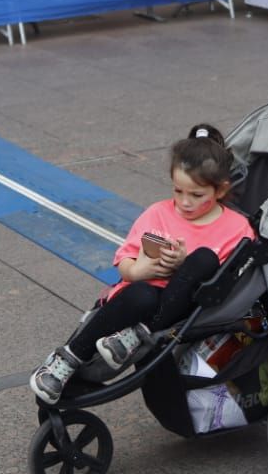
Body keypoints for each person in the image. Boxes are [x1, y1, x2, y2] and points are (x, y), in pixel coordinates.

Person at [29, 124, 255, 404]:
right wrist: (139, 270)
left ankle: (140, 333)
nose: (185, 202)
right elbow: (124, 261)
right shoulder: (158, 213)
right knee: (142, 293)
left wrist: (185, 266)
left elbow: (231, 281)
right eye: (178, 191)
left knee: (204, 259)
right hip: (142, 297)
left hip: (186, 305)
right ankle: (67, 359)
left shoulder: (237, 228)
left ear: (220, 190)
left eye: (196, 195)